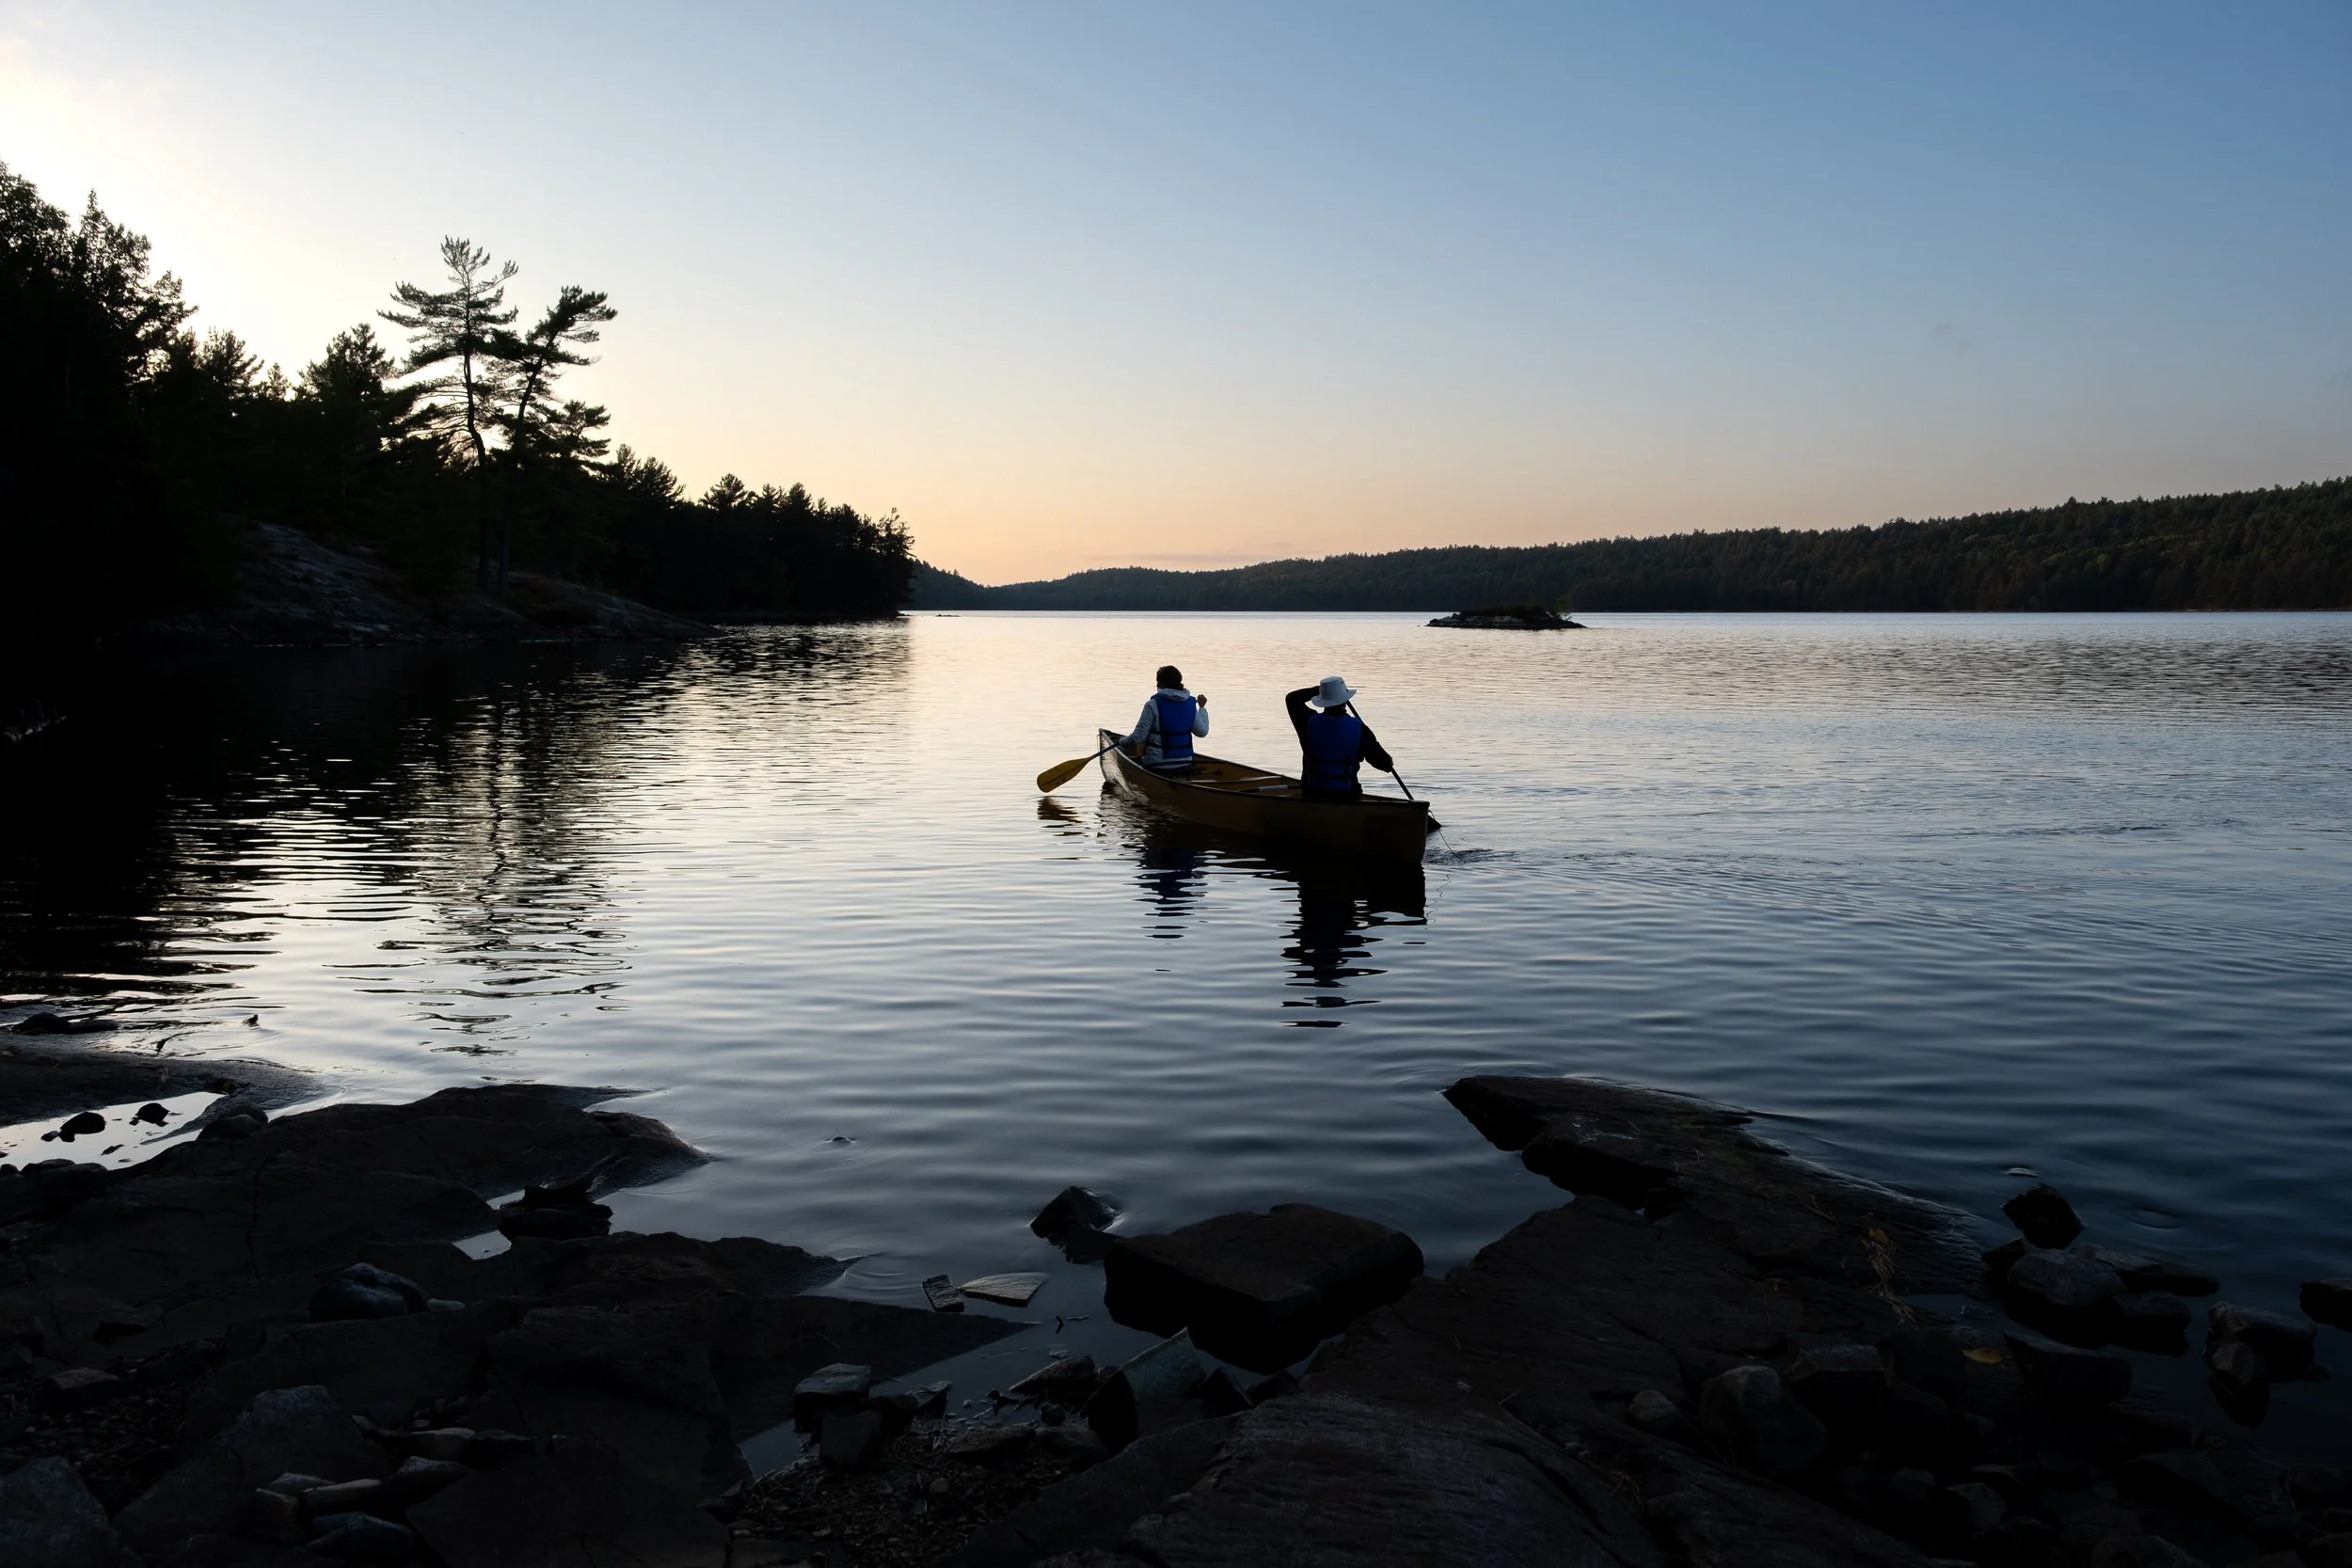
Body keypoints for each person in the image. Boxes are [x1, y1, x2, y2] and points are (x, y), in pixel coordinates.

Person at [1285, 675, 1393, 798]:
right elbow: (1385, 764)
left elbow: (1292, 699)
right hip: (1347, 796)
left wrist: (1322, 690)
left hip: (1312, 794)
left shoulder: (1307, 722)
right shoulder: (1360, 728)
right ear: (1344, 701)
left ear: (1322, 700)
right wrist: (1388, 762)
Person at [1123, 665, 1209, 774]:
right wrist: (1202, 708)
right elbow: (1202, 732)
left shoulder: (1152, 705)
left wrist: (1121, 742)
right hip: (1184, 764)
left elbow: (1138, 738)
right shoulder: (1190, 704)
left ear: (1160, 683)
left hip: (1156, 765)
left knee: (1134, 755)